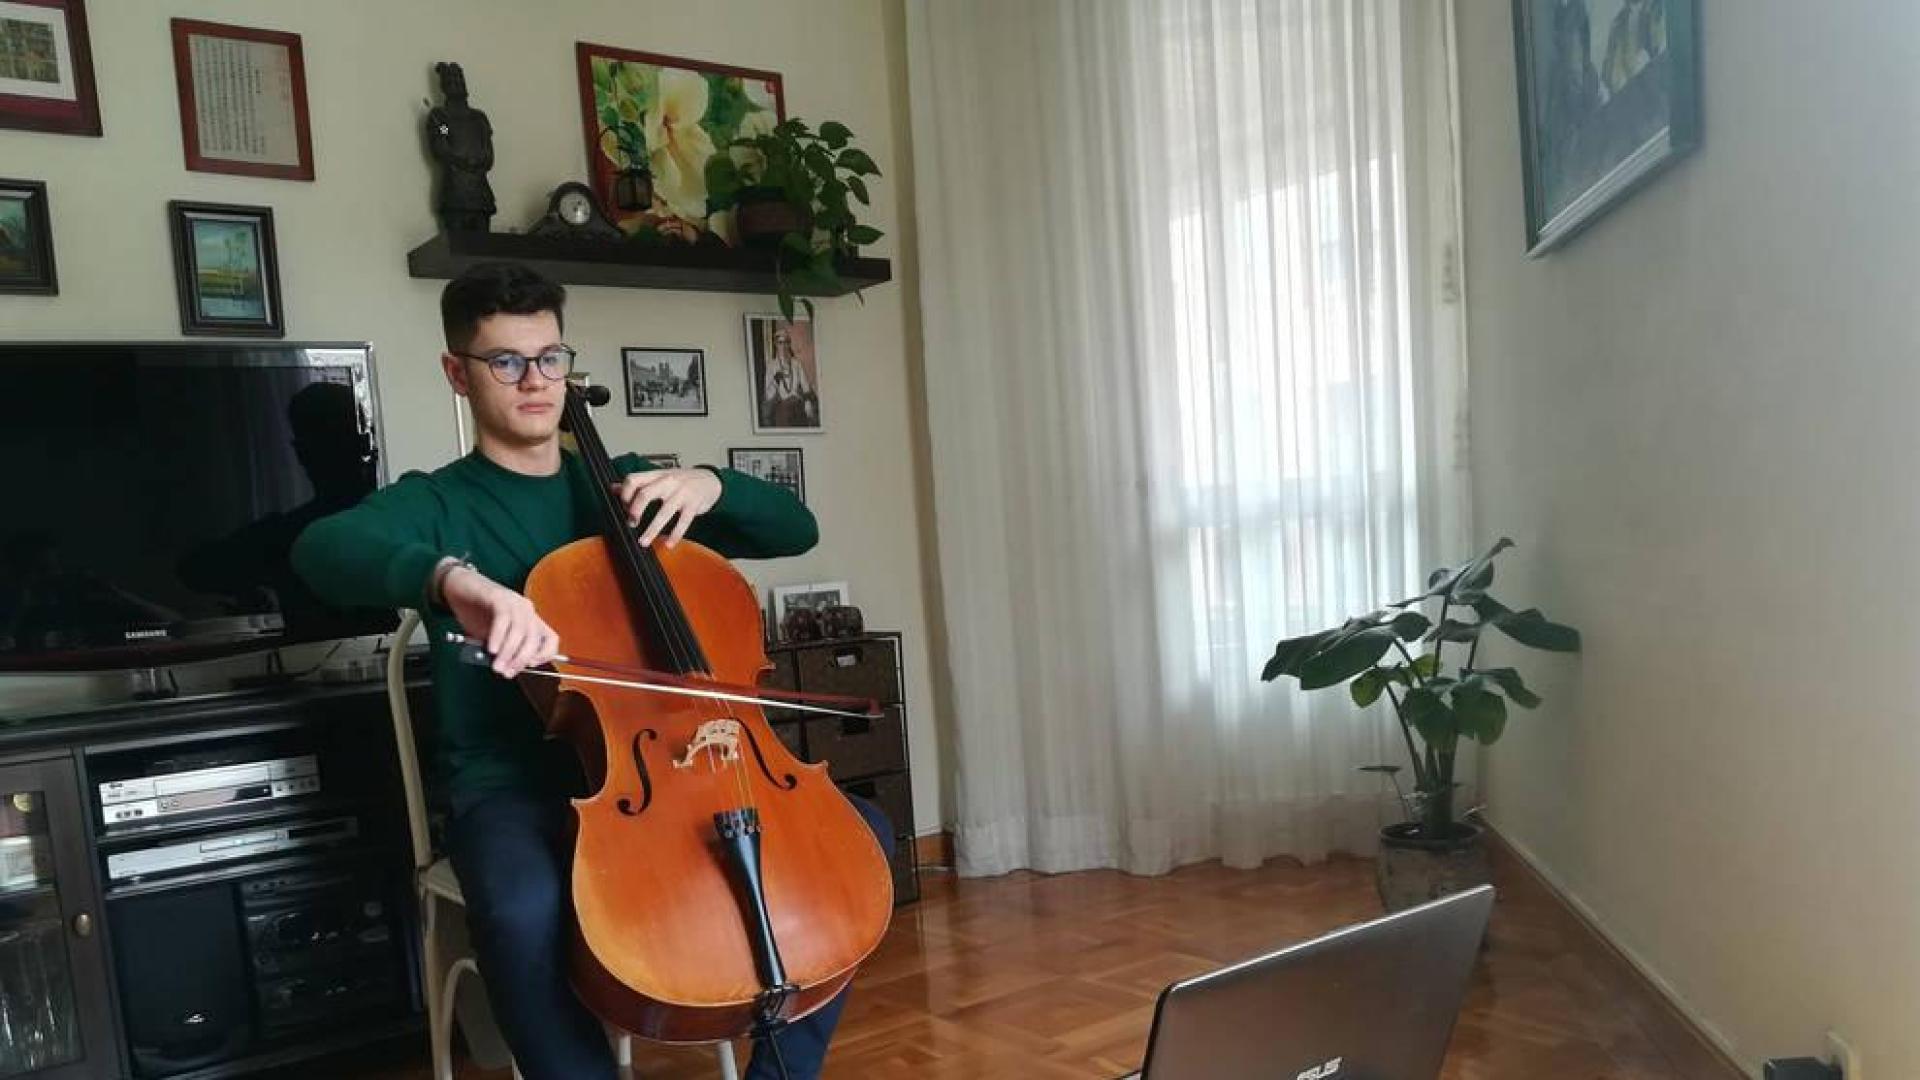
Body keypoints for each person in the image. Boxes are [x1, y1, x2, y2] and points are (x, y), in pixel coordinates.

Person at [289, 262, 889, 1080]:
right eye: (505, 361)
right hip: (511, 782)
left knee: (862, 842)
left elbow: (795, 526)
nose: (534, 381)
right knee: (522, 905)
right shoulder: (437, 502)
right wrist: (453, 582)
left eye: (550, 357)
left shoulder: (624, 487)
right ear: (456, 373)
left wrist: (710, 484)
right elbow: (319, 551)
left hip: (671, 768)